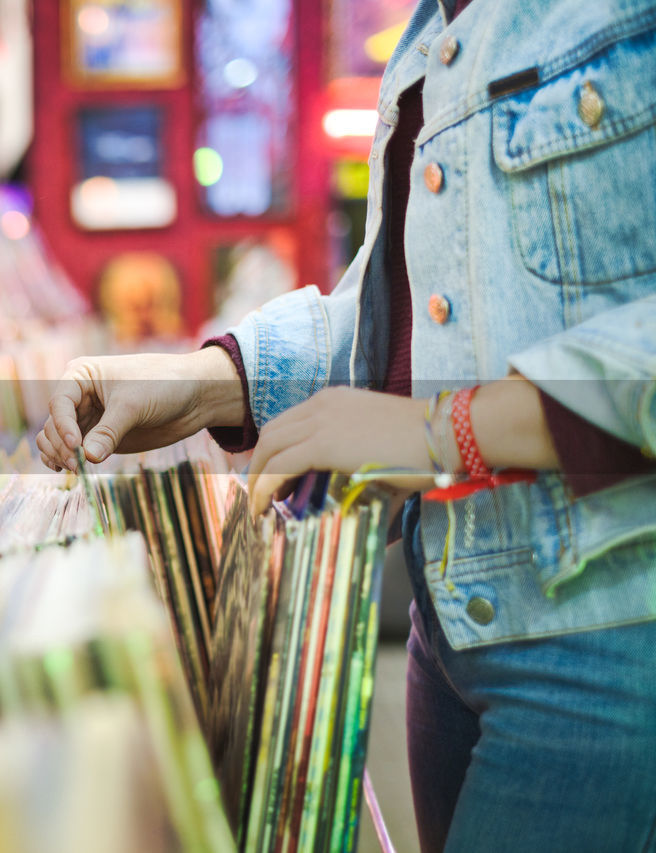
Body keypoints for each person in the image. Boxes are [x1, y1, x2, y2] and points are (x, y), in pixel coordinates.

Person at [39, 0, 656, 849]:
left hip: (607, 634)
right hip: (451, 623)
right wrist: (210, 380)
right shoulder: (428, 35)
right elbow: (404, 308)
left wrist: (447, 431)